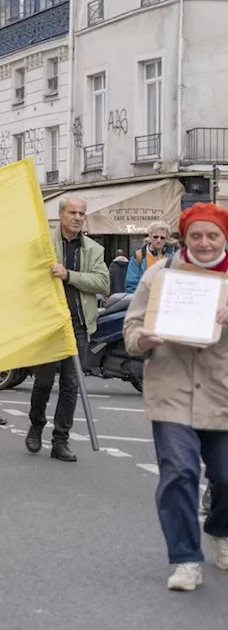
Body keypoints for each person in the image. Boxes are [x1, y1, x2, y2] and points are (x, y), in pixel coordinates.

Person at [124, 202, 228, 591]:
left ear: (223, 238)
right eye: (196, 235)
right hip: (172, 390)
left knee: (225, 476)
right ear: (184, 238)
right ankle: (185, 559)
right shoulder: (160, 275)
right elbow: (132, 327)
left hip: (223, 391)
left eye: (212, 235)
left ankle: (220, 529)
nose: (204, 243)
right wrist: (142, 338)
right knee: (180, 473)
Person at [25, 196, 110, 463]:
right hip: (49, 324)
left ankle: (60, 440)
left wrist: (69, 275)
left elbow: (102, 281)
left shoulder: (94, 249)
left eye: (81, 213)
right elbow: (27, 276)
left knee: (71, 385)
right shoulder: (44, 244)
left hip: (79, 325)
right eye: (72, 212)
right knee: (44, 381)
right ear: (61, 215)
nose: (77, 217)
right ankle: (36, 425)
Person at [125, 221, 177, 293]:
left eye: (162, 238)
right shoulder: (138, 256)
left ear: (166, 239)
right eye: (155, 237)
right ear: (150, 236)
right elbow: (131, 285)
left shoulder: (172, 257)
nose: (158, 240)